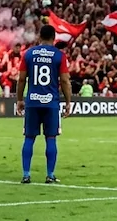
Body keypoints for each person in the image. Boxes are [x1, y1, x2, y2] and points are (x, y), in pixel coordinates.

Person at [17, 24, 74, 184]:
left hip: (32, 102)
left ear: (39, 37)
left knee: (29, 138)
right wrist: (68, 101)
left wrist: (20, 99)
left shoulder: (28, 54)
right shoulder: (59, 55)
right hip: (51, 103)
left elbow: (21, 79)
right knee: (51, 138)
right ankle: (50, 174)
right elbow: (64, 80)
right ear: (54, 37)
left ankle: (26, 174)